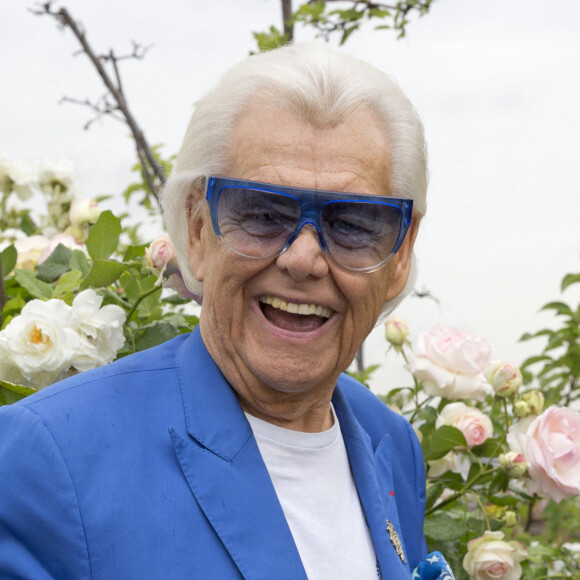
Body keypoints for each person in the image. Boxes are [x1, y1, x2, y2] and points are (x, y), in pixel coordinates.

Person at [0, 44, 452, 579]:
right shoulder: (47, 456)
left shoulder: (392, 443)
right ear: (197, 229)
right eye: (262, 213)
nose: (303, 259)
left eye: (352, 224)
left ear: (399, 254)